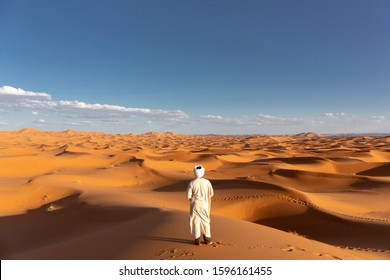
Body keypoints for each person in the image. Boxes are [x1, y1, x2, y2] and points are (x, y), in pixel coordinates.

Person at [186, 165, 214, 245]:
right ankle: (207, 240)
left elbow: (188, 196)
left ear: (194, 172)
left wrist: (193, 200)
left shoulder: (192, 183)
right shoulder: (207, 182)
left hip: (195, 205)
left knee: (195, 222)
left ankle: (197, 240)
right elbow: (211, 194)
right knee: (205, 222)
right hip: (205, 205)